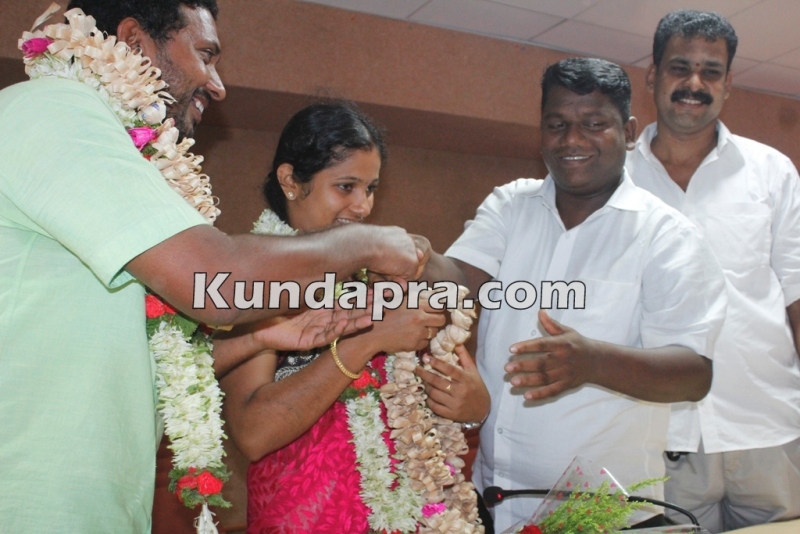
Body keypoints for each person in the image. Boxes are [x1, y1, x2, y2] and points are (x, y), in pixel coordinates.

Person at [0, 1, 422, 531]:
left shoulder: (118, 154)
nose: (217, 85)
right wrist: (360, 243)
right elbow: (217, 282)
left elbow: (136, 362)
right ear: (133, 41)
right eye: (205, 54)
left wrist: (261, 339)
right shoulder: (54, 110)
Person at [419, 57, 727, 532]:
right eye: (557, 124)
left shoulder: (667, 236)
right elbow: (458, 283)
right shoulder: (510, 205)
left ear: (627, 132)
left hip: (609, 515)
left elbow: (693, 374)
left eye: (593, 124)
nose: (572, 140)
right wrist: (410, 255)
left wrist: (593, 362)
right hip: (492, 504)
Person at [215, 103, 491, 533]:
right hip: (302, 514)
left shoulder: (378, 268)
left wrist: (473, 406)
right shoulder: (257, 276)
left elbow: (462, 389)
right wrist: (368, 341)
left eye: (370, 188)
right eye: (346, 187)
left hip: (406, 513)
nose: (362, 206)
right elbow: (253, 434)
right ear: (291, 181)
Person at [625, 10, 800, 532]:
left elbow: (795, 291)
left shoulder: (771, 171)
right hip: (657, 434)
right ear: (654, 76)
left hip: (768, 424)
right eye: (680, 67)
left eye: (711, 71)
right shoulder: (615, 180)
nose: (694, 84)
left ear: (727, 85)